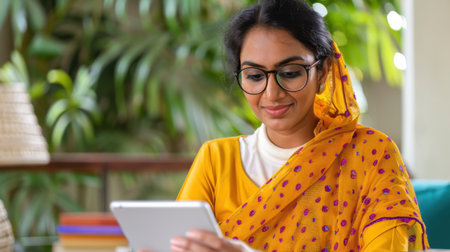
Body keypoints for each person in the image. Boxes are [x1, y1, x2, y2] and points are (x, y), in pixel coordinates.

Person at [171, 0, 430, 251]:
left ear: (324, 71)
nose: (271, 94)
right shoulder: (216, 161)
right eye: (254, 76)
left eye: (290, 73)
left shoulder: (371, 154)